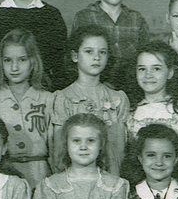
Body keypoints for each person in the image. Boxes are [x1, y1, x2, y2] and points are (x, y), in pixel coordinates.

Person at [51, 25, 129, 177]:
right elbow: (59, 151)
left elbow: (120, 149)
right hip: (74, 179)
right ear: (75, 56)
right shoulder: (63, 98)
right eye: (89, 51)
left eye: (102, 52)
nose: (96, 57)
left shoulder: (117, 98)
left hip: (111, 177)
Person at [0, 28, 52, 190]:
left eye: (22, 60)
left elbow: (55, 145)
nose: (14, 67)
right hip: (4, 173)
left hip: (40, 174)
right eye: (8, 60)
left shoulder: (47, 98)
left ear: (33, 61)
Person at [71, 0, 149, 92]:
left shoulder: (137, 20)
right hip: (93, 89)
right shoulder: (84, 17)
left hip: (130, 89)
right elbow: (74, 59)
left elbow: (145, 58)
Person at [127, 41, 178, 175]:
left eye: (156, 69)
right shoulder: (129, 107)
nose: (148, 75)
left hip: (174, 181)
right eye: (142, 69)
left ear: (170, 72)